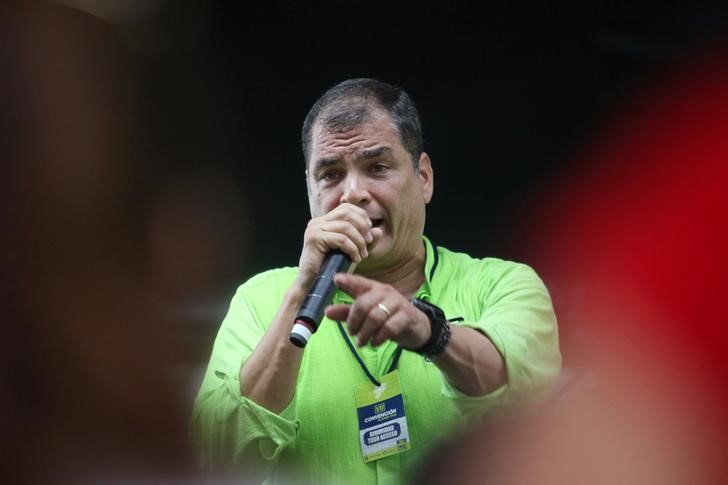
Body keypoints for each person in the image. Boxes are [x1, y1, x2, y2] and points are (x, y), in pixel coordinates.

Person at [191, 78, 561, 484]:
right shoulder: (259, 301)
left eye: (377, 167)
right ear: (309, 189)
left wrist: (429, 332)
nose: (353, 193)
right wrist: (302, 292)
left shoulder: (503, 285)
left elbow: (525, 405)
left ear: (424, 178)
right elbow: (213, 458)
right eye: (330, 174)